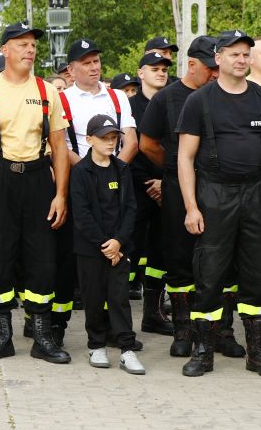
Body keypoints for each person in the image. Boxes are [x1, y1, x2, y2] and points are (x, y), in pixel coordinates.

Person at [176, 29, 261, 378]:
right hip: (215, 193)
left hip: (257, 193)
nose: (241, 60)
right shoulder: (199, 101)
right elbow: (185, 157)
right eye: (234, 54)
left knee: (257, 274)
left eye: (245, 54)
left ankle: (258, 352)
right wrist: (191, 207)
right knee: (209, 275)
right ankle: (203, 351)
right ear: (218, 58)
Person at [0, 20, 71, 364]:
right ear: (5, 50)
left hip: (38, 178)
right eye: (22, 44)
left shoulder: (47, 91)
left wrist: (60, 194)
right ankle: (1, 337)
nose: (30, 50)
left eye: (33, 45)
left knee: (42, 256)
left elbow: (59, 146)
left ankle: (42, 337)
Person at [138, 36, 225, 358]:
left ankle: (218, 332)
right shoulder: (167, 98)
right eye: (210, 67)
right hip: (177, 187)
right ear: (191, 64)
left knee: (217, 260)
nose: (215, 73)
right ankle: (183, 331)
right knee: (178, 259)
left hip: (218, 186)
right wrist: (175, 170)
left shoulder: (224, 95)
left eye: (218, 67)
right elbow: (147, 144)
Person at [52, 38, 137, 345]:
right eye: (86, 63)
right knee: (72, 260)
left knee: (114, 255)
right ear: (71, 69)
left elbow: (131, 140)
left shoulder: (117, 96)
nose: (93, 67)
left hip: (115, 185)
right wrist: (89, 171)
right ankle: (57, 327)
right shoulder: (62, 99)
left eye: (96, 61)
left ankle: (115, 329)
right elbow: (59, 144)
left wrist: (113, 170)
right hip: (79, 180)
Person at [70, 114, 142, 373]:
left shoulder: (122, 169)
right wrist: (105, 244)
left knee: (119, 298)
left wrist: (119, 242)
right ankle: (96, 345)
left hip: (119, 249)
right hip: (91, 249)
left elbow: (130, 208)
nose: (111, 143)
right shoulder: (80, 172)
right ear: (90, 140)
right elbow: (82, 215)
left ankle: (127, 349)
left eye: (113, 138)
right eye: (104, 138)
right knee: (93, 298)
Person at [129, 52, 173, 336]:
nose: (160, 73)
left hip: (167, 186)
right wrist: (149, 183)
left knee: (160, 253)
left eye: (164, 69)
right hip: (136, 188)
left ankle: (153, 314)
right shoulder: (129, 105)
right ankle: (116, 319)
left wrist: (164, 182)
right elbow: (129, 147)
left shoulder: (175, 101)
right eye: (154, 68)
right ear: (140, 73)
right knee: (129, 250)